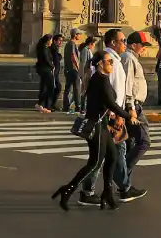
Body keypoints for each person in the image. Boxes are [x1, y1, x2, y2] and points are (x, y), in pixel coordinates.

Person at [54, 50, 127, 211]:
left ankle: (107, 192)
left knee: (112, 156)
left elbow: (107, 103)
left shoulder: (100, 78)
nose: (112, 65)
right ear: (100, 63)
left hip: (102, 124)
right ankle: (68, 189)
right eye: (109, 62)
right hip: (96, 126)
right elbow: (111, 103)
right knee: (94, 163)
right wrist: (128, 116)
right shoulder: (100, 80)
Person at [114, 32, 151, 202]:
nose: (144, 49)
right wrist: (131, 108)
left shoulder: (131, 58)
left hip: (134, 105)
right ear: (134, 44)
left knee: (130, 143)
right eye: (143, 45)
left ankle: (124, 184)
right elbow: (127, 84)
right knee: (144, 141)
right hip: (133, 106)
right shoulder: (129, 58)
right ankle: (121, 176)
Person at [34, 33, 62, 113]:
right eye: (50, 40)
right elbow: (46, 59)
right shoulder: (44, 48)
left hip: (45, 69)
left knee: (46, 87)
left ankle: (42, 105)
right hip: (45, 69)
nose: (51, 42)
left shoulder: (46, 48)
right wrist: (52, 66)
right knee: (50, 87)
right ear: (47, 41)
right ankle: (42, 104)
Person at [62, 34, 87, 113]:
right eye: (79, 35)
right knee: (76, 88)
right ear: (75, 35)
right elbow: (73, 56)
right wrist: (78, 67)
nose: (80, 36)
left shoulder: (68, 44)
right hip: (73, 69)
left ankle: (66, 106)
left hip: (68, 69)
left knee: (68, 88)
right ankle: (77, 106)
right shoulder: (72, 44)